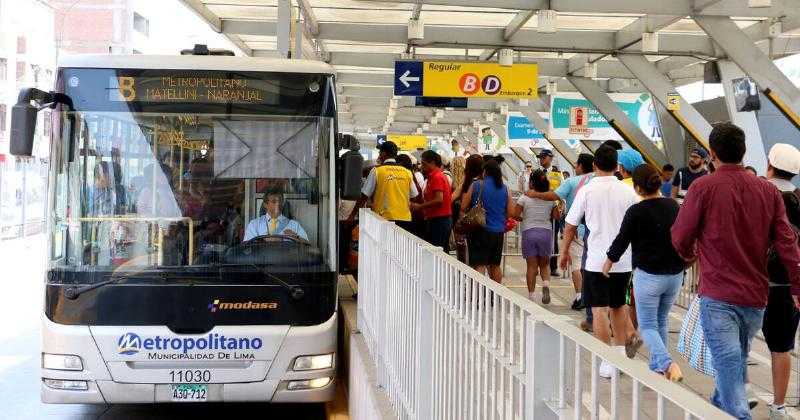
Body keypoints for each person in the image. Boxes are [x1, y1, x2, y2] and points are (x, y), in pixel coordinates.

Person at [671, 123, 800, 419]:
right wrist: (796, 284)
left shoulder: (703, 187)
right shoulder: (767, 192)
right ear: (744, 152)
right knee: (734, 362)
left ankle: (739, 415)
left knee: (730, 363)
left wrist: (688, 254)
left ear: (712, 153)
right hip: (756, 298)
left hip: (718, 295)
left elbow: (680, 236)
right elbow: (787, 243)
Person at [602, 164, 685, 381]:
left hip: (649, 276)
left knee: (647, 325)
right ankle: (658, 368)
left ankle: (667, 364)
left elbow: (622, 240)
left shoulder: (636, 211)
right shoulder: (674, 206)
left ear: (638, 188)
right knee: (662, 321)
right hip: (675, 275)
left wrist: (609, 261)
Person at [563, 145, 639, 378]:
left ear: (595, 165)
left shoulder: (586, 191)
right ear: (617, 166)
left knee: (598, 311)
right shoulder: (629, 192)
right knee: (619, 308)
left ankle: (607, 361)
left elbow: (571, 224)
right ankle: (619, 356)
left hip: (596, 261)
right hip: (623, 260)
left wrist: (565, 251)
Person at [525, 153, 594, 313]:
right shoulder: (600, 181)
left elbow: (554, 195)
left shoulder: (572, 182)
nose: (575, 167)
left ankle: (579, 296)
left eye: (576, 165)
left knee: (576, 264)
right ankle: (591, 297)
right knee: (593, 264)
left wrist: (535, 194)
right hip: (599, 231)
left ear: (581, 166)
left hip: (577, 229)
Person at [762, 144, 800, 419]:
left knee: (736, 342)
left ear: (769, 165)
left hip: (751, 283)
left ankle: (739, 395)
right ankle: (778, 406)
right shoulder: (798, 201)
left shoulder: (758, 193)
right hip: (788, 287)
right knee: (782, 347)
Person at [460, 160, 514, 283]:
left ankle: (480, 295)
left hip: (480, 230)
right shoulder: (506, 189)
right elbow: (511, 212)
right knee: (495, 265)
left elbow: (463, 206)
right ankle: (495, 296)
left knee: (480, 264)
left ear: (485, 172)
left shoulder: (477, 185)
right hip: (498, 232)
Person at [348, 141, 419, 232]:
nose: (379, 154)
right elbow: (415, 196)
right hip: (405, 219)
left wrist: (352, 215)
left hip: (383, 218)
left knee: (384, 245)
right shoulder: (406, 172)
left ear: (383, 153)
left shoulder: (377, 171)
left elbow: (364, 196)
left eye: (379, 152)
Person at [513, 170, 560, 304]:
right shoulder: (550, 198)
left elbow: (515, 214)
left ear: (531, 182)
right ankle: (545, 285)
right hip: (546, 232)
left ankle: (532, 296)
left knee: (531, 266)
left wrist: (526, 219)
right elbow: (556, 216)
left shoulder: (524, 197)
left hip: (529, 232)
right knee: (545, 264)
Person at [412, 150, 453, 252]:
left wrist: (420, 206)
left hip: (439, 220)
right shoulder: (434, 177)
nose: (421, 166)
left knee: (437, 252)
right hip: (438, 219)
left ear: (433, 163)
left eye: (424, 164)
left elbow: (439, 199)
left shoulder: (437, 177)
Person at [453, 155, 484, 263]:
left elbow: (454, 199)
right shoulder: (486, 183)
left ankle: (466, 277)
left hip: (467, 223)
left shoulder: (467, 183)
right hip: (483, 222)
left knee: (465, 255)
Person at [243, 190, 308, 241]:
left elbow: (307, 245)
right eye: (274, 201)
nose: (278, 204)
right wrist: (263, 240)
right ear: (265, 204)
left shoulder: (294, 225)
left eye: (280, 201)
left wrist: (295, 237)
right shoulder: (254, 225)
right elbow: (246, 247)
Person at [538, 149, 563, 277]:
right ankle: (539, 265)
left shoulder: (557, 174)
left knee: (553, 238)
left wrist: (560, 207)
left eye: (543, 157)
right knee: (540, 237)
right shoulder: (537, 173)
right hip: (540, 210)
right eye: (540, 157)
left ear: (550, 158)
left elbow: (562, 191)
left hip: (553, 211)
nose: (541, 160)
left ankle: (553, 267)